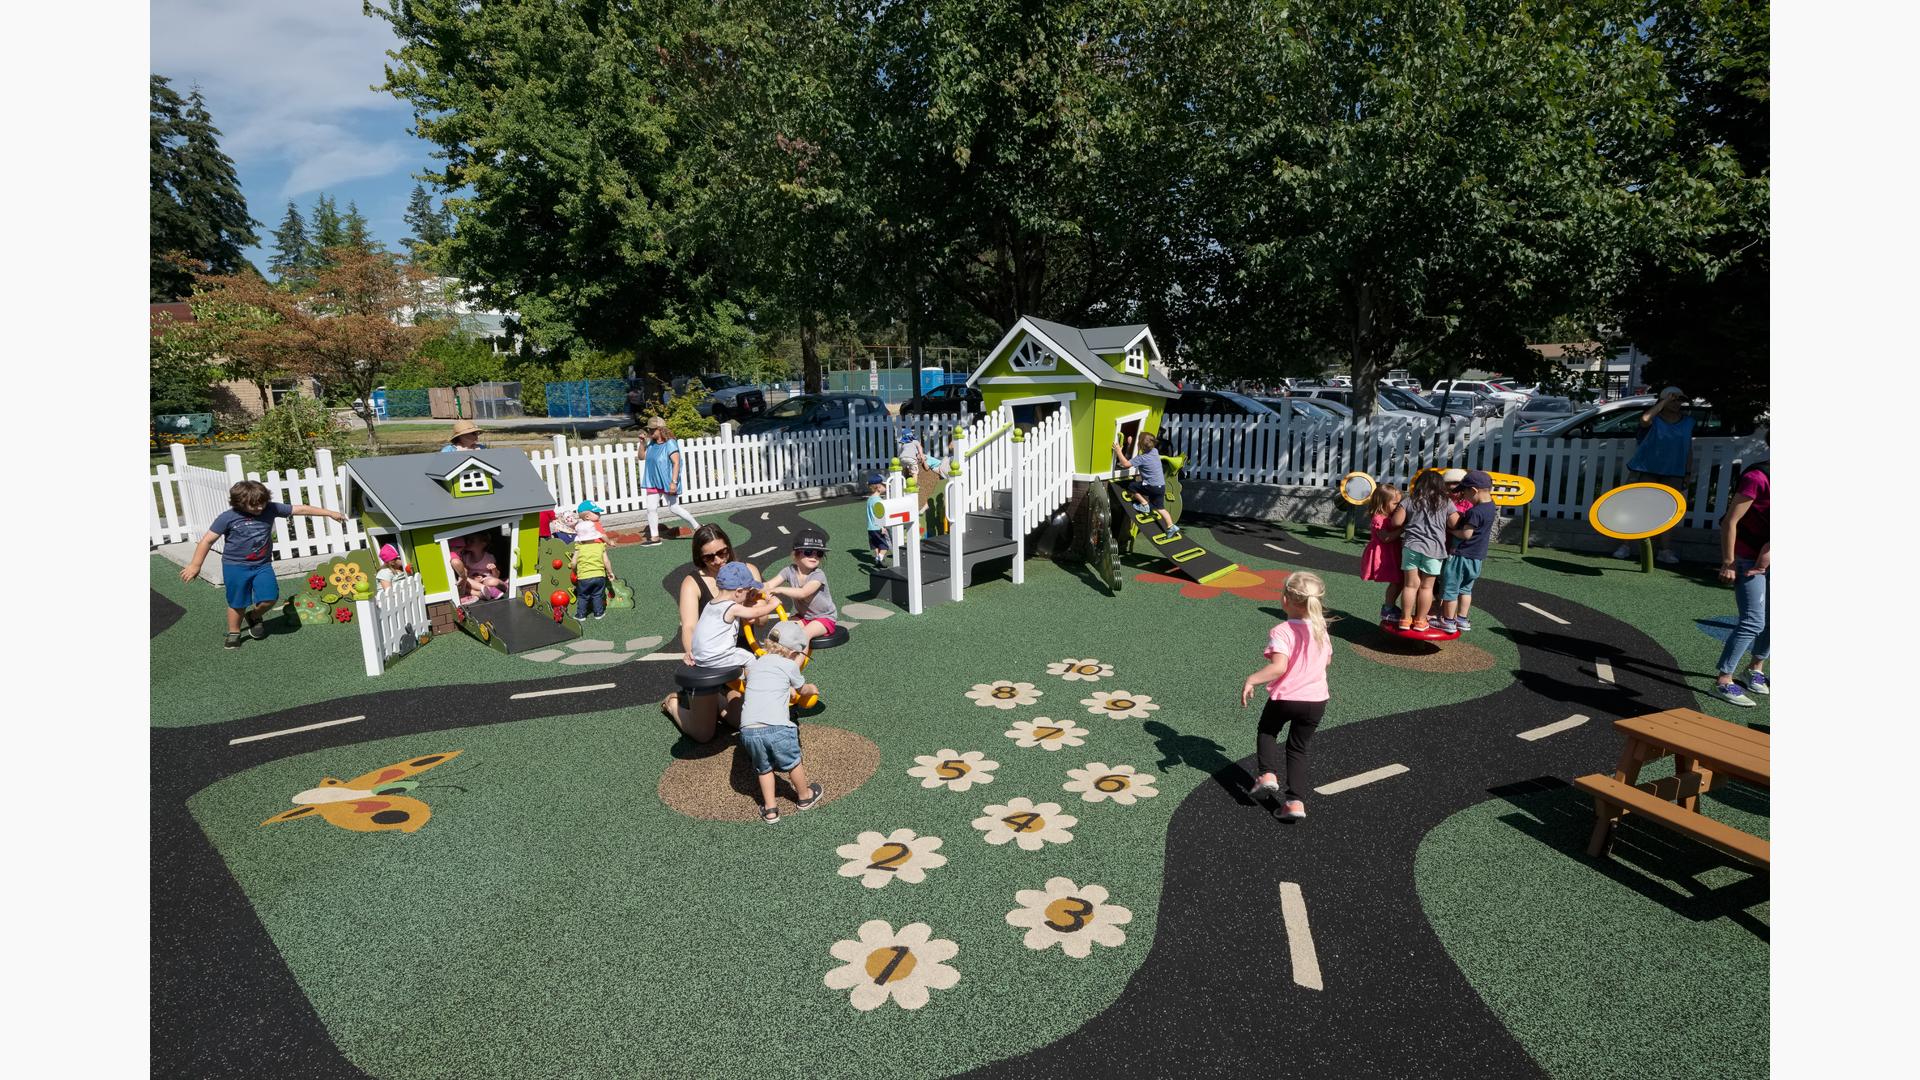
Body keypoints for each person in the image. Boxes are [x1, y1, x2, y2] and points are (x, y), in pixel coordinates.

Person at [180, 480, 348, 649]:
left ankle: (253, 616)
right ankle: (234, 633)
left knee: (270, 597)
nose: (260, 508)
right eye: (254, 505)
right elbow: (207, 540)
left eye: (262, 502)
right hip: (235, 566)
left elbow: (301, 509)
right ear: (239, 503)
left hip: (262, 565)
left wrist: (330, 513)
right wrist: (195, 565)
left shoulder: (270, 508)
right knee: (237, 602)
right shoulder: (227, 518)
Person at [1239, 571, 1333, 823]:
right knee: (1298, 748)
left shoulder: (1282, 630)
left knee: (1268, 730)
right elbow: (1327, 661)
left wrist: (1252, 679)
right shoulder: (1320, 629)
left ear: (1284, 600)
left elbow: (1279, 667)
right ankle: (1294, 802)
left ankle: (1268, 775)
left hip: (1287, 697)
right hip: (1316, 701)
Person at [739, 621, 826, 823]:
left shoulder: (755, 664)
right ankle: (804, 797)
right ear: (793, 651)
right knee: (793, 762)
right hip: (777, 727)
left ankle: (770, 809)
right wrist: (812, 688)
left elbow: (757, 684)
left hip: (748, 730)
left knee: (764, 767)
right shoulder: (788, 665)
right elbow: (802, 690)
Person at [1613, 387, 1694, 564]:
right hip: (1646, 469)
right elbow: (1644, 419)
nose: (1677, 403)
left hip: (1673, 472)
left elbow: (1688, 448)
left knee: (1667, 512)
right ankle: (1625, 546)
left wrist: (1687, 472)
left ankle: (1664, 550)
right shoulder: (1654, 419)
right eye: (1673, 399)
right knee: (1635, 507)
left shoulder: (1688, 422)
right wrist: (1663, 401)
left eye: (1679, 400)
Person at [1712, 460, 1769, 707]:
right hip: (1745, 556)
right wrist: (1728, 562)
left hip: (1768, 553)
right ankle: (1723, 681)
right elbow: (1730, 522)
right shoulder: (1757, 477)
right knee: (1754, 620)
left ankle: (1755, 667)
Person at [1434, 470, 1497, 634]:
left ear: (1474, 490)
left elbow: (1466, 534)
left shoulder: (1474, 512)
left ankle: (1448, 620)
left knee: (1450, 589)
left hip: (1461, 556)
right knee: (1466, 590)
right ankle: (1462, 618)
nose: (1463, 495)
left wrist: (1452, 531)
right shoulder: (1491, 506)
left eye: (1465, 491)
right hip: (1477, 557)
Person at [1392, 469, 1452, 632]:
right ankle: (1420, 620)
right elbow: (1453, 523)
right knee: (1426, 587)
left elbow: (1396, 522)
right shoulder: (1445, 502)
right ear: (1440, 486)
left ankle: (1405, 619)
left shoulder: (1410, 500)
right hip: (1434, 549)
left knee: (1410, 585)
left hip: (1411, 546)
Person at [768, 530, 838, 642]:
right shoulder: (789, 571)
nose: (814, 556)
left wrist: (779, 589)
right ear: (796, 553)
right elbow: (769, 585)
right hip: (804, 617)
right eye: (808, 552)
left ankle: (798, 660)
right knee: (780, 631)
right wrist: (755, 588)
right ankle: (776, 657)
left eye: (819, 553)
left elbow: (803, 593)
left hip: (824, 618)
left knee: (803, 636)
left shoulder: (818, 575)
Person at [642, 417, 700, 546]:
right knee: (651, 508)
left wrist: (673, 482)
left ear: (660, 429)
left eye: (652, 430)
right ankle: (655, 537)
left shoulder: (670, 443)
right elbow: (641, 457)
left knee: (674, 508)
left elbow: (676, 462)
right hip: (652, 480)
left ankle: (697, 527)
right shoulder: (651, 443)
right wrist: (642, 443)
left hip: (668, 480)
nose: (650, 432)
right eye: (649, 430)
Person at [1112, 432, 1180, 541]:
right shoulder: (1155, 451)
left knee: (1132, 486)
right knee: (1160, 508)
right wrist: (1131, 444)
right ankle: (1171, 526)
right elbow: (1141, 452)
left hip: (1151, 486)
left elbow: (1125, 464)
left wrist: (1119, 451)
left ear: (1140, 446)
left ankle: (1144, 504)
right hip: (1160, 486)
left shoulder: (1142, 458)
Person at [1359, 482, 1404, 621]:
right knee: (1396, 580)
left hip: (1392, 551)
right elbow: (1385, 538)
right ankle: (1388, 607)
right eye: (1395, 504)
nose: (1398, 507)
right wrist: (1403, 529)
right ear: (1382, 503)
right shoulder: (1379, 518)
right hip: (1384, 554)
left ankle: (1391, 606)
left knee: (1399, 580)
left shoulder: (1389, 517)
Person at [898, 427, 945, 514]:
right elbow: (920, 449)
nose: (918, 456)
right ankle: (912, 483)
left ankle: (913, 484)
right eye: (917, 455)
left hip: (940, 468)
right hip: (911, 461)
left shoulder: (926, 458)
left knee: (913, 471)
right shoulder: (915, 442)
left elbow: (927, 468)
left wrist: (923, 459)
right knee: (915, 472)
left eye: (918, 455)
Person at [572, 524, 614, 621]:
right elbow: (606, 561)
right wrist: (610, 572)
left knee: (583, 596)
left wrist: (575, 571)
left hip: (584, 577)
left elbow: (573, 562)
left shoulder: (579, 547)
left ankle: (581, 615)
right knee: (598, 594)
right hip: (599, 576)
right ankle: (598, 613)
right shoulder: (600, 546)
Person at [864, 473, 892, 567]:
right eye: (884, 485)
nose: (885, 487)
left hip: (870, 527)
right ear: (879, 487)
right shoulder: (878, 501)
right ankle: (879, 558)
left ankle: (878, 559)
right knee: (885, 546)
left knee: (876, 545)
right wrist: (882, 527)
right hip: (878, 527)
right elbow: (879, 515)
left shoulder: (870, 499)